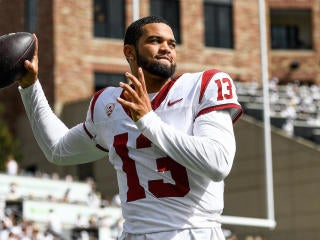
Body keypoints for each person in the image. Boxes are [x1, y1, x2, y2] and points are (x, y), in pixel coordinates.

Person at [17, 16, 242, 240]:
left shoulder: (203, 86)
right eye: (155, 41)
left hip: (194, 233)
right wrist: (30, 88)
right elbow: (58, 150)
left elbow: (218, 163)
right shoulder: (109, 104)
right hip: (134, 234)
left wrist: (148, 120)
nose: (166, 49)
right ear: (129, 52)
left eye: (171, 43)